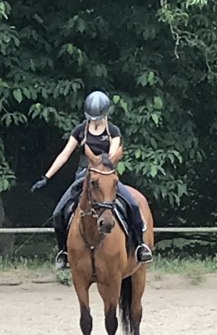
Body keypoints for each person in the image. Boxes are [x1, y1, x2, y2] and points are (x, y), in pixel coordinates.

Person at [31, 90, 153, 269]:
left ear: (105, 114)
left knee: (133, 205)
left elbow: (112, 155)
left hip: (105, 177)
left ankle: (140, 246)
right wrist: (47, 177)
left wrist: (103, 166)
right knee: (58, 212)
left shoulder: (113, 131)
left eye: (98, 117)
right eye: (92, 117)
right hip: (83, 177)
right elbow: (65, 154)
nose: (94, 120)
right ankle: (64, 252)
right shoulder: (80, 130)